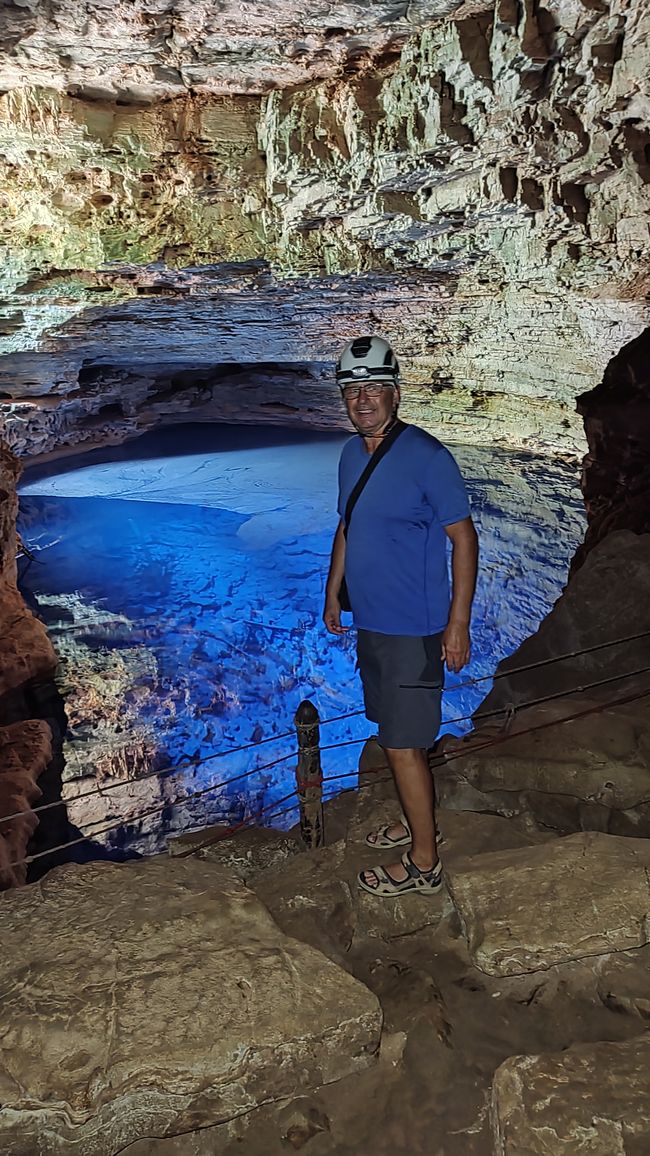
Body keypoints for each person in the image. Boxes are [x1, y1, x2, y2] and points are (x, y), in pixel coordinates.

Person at [323, 336, 478, 897]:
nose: (363, 400)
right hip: (373, 622)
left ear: (394, 393)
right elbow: (348, 525)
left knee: (403, 742)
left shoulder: (428, 458)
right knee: (392, 732)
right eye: (353, 390)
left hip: (415, 628)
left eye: (373, 390)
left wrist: (457, 624)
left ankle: (424, 863)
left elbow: (463, 539)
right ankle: (417, 823)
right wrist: (332, 589)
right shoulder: (348, 454)